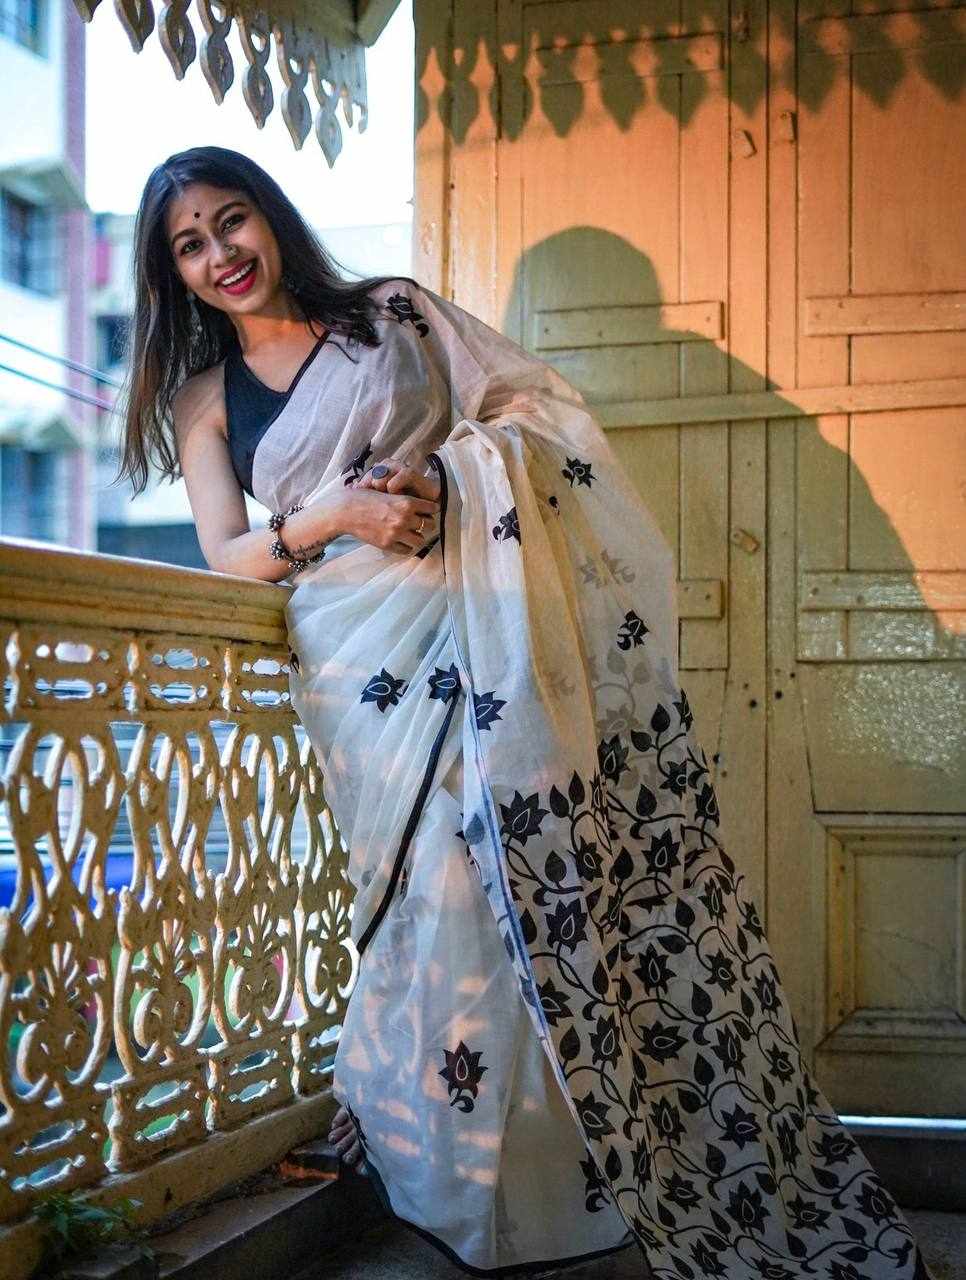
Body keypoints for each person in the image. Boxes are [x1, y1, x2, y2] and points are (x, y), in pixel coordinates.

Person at [120, 145, 933, 1280]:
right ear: (172, 273)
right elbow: (226, 551)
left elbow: (539, 415)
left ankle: (570, 1187)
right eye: (189, 245)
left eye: (232, 220)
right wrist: (341, 513)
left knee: (528, 888)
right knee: (436, 907)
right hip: (363, 673)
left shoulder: (392, 316)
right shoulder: (204, 399)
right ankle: (451, 1174)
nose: (221, 255)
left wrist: (452, 482)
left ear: (272, 218)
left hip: (486, 630)